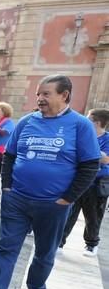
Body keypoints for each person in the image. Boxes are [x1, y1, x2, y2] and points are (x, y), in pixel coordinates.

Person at [0, 75, 100, 289]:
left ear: (65, 95)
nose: (40, 99)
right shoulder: (27, 121)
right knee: (5, 248)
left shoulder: (80, 125)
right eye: (38, 94)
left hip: (53, 204)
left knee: (44, 251)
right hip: (17, 199)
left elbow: (89, 165)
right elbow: (10, 156)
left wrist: (67, 199)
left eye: (46, 94)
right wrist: (6, 187)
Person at [59, 108, 109, 257]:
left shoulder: (107, 139)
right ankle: (60, 242)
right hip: (79, 181)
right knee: (69, 213)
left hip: (97, 185)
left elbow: (106, 160)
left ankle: (91, 244)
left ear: (97, 122)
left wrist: (87, 151)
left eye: (88, 118)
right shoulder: (82, 135)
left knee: (93, 216)